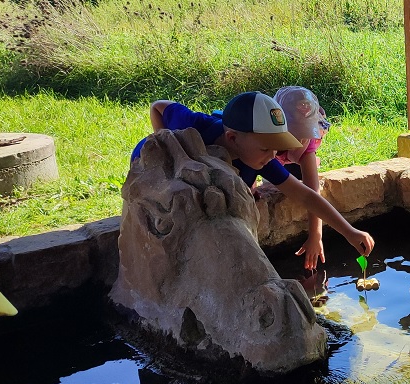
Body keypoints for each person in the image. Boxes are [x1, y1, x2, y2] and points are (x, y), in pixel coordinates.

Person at [134, 91, 374, 263]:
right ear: (232, 138)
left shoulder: (261, 158)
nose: (273, 156)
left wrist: (349, 232)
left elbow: (306, 195)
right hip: (150, 174)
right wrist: (167, 144)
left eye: (276, 147)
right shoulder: (195, 126)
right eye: (266, 148)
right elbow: (158, 105)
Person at [272, 86, 331, 270]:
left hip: (298, 158)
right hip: (276, 157)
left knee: (304, 166)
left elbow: (313, 192)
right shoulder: (268, 143)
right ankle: (287, 164)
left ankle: (303, 163)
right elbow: (251, 168)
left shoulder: (307, 144)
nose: (301, 141)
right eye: (295, 134)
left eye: (306, 133)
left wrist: (316, 235)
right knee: (276, 180)